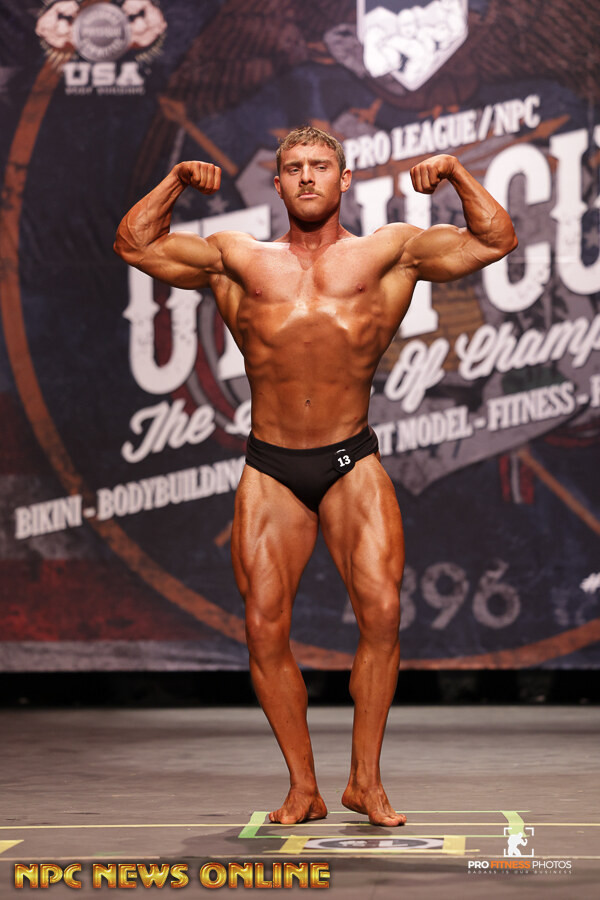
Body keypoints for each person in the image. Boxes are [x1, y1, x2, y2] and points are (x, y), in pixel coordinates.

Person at [114, 125, 517, 826]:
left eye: (320, 166)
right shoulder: (236, 257)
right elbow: (135, 244)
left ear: (344, 178)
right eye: (294, 167)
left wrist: (455, 172)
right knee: (264, 629)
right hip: (271, 467)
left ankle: (366, 781)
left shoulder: (389, 251)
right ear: (276, 184)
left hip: (349, 459)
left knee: (382, 615)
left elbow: (494, 239)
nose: (307, 177)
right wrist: (176, 181)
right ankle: (303, 787)